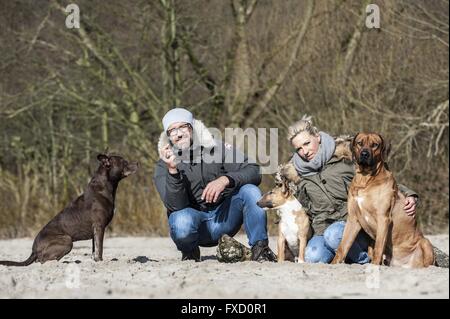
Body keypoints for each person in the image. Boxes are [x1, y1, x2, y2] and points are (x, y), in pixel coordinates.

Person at [287, 117, 418, 264]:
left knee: (334, 235)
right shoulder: (297, 175)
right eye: (299, 148)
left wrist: (409, 194)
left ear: (317, 137)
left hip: (350, 223)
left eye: (307, 143)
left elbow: (384, 182)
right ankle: (347, 254)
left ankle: (364, 259)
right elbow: (296, 208)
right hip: (321, 229)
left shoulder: (347, 159)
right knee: (313, 256)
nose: (304, 151)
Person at [153, 107, 276, 262]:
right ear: (168, 136)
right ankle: (190, 252)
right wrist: (173, 171)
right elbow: (175, 206)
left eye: (183, 126)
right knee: (180, 219)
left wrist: (226, 180)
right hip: (194, 227)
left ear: (193, 127)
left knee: (250, 191)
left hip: (224, 219)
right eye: (172, 130)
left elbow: (254, 170)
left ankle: (260, 249)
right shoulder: (162, 166)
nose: (178, 133)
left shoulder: (218, 148)